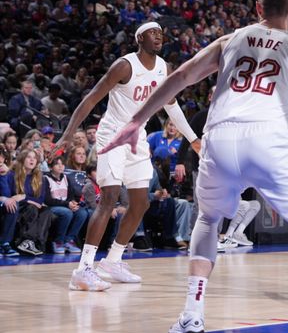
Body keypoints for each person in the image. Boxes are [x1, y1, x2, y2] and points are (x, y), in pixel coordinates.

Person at [101, 0, 288, 333]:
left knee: (208, 220)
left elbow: (182, 77)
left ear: (257, 8)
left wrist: (137, 119)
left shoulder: (229, 39)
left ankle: (192, 313)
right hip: (267, 137)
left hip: (219, 138)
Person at [55, 22, 200, 291]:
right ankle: (83, 269)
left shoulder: (163, 68)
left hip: (137, 137)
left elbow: (172, 106)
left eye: (161, 31)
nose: (158, 35)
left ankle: (112, 261)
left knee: (141, 203)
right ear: (139, 38)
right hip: (112, 135)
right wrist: (68, 133)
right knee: (109, 198)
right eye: (152, 32)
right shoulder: (124, 66)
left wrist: (193, 139)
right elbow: (90, 99)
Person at [44, 155, 88, 253]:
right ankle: (58, 241)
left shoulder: (65, 178)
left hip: (65, 205)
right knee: (67, 212)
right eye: (57, 164)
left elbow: (71, 195)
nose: (60, 166)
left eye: (62, 164)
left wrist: (72, 202)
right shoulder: (46, 178)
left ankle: (69, 240)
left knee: (82, 213)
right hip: (51, 207)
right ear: (51, 167)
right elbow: (47, 200)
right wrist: (67, 204)